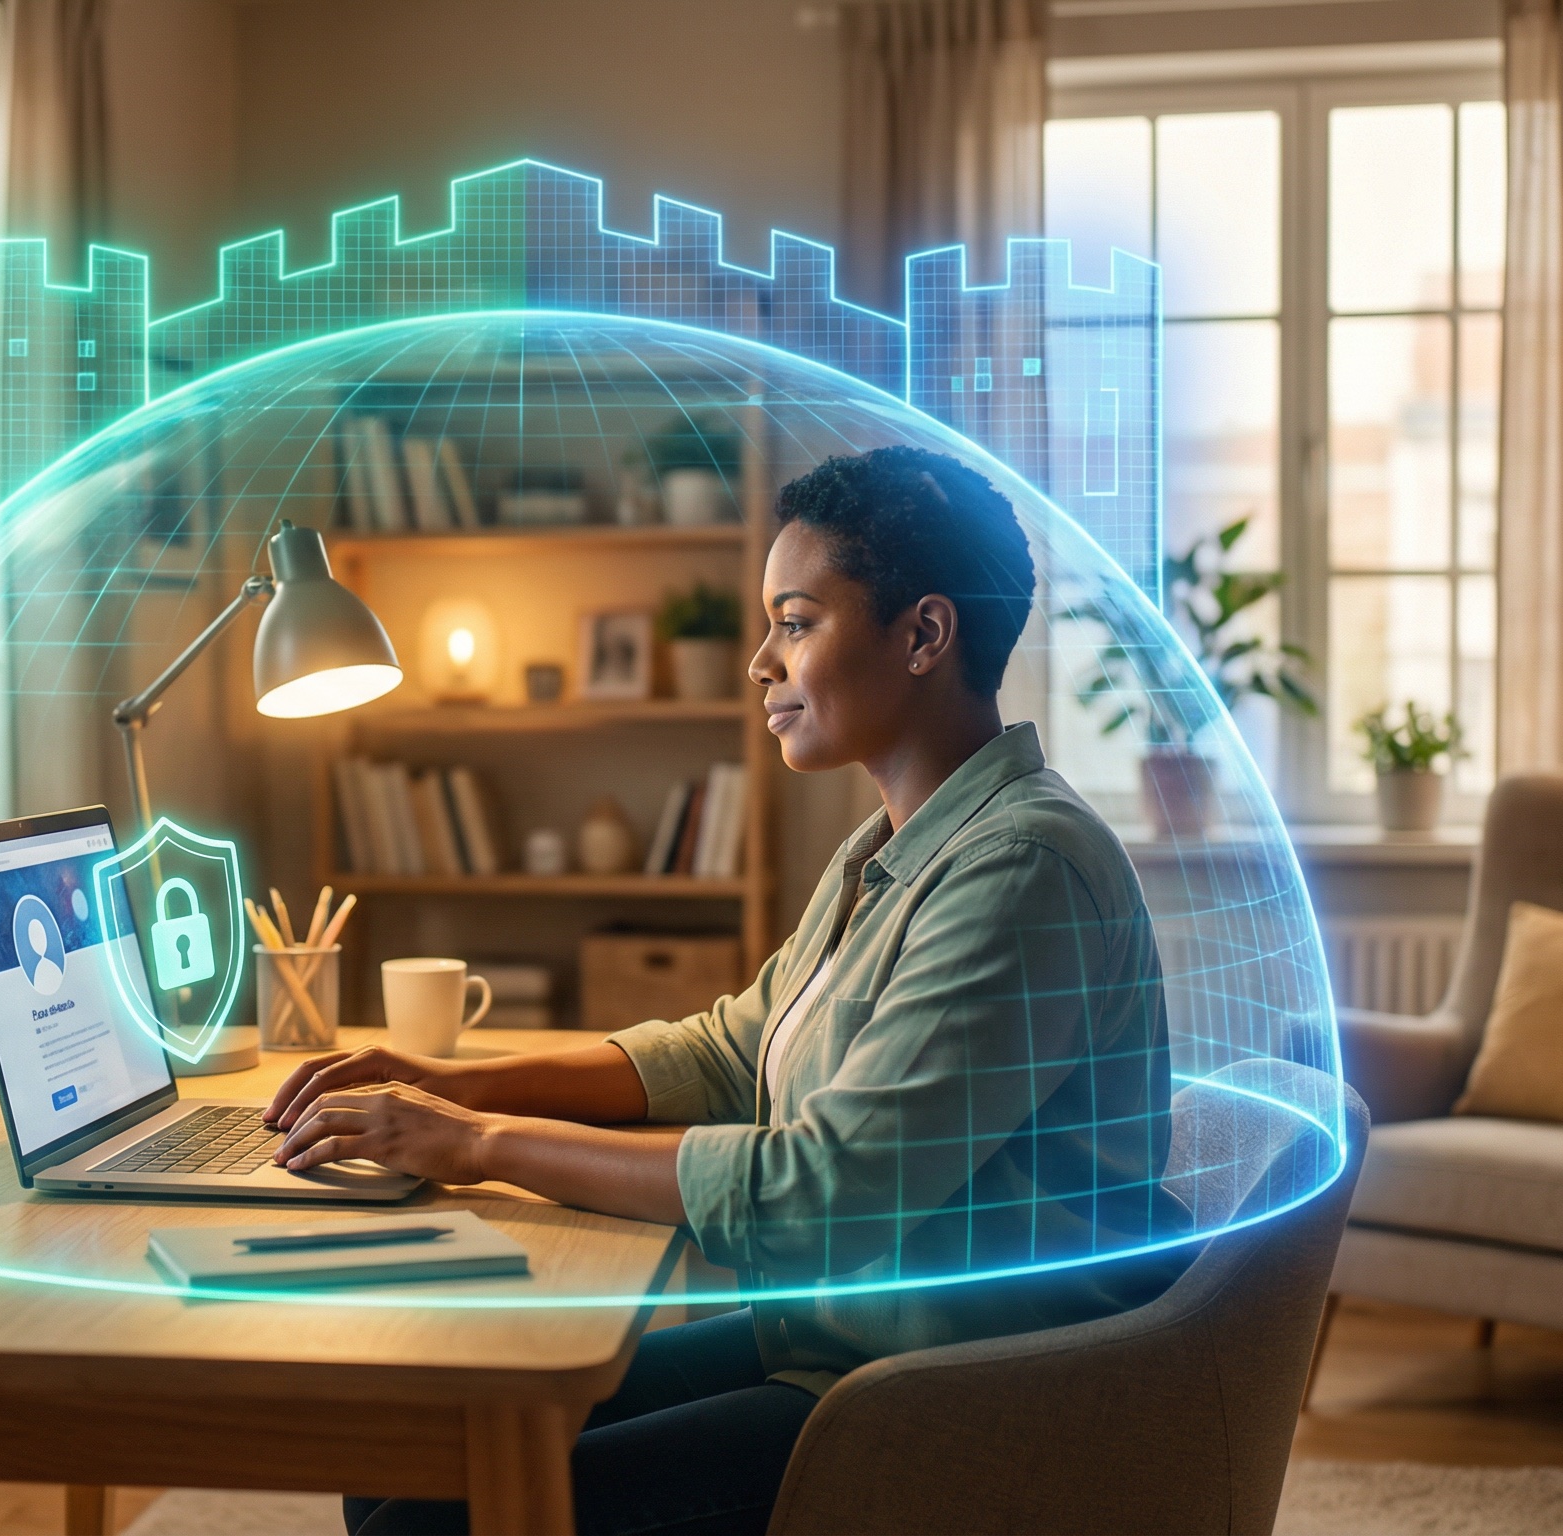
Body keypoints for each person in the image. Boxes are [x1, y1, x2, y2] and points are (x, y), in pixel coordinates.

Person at [266, 446, 1189, 1536]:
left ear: (923, 636)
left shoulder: (1019, 869)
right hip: (840, 1342)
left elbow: (824, 1192)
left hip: (946, 1396)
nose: (758, 661)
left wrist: (477, 1142)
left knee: (433, 1517)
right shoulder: (891, 851)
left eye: (794, 622)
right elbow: (726, 1052)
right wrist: (449, 1080)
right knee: (414, 1440)